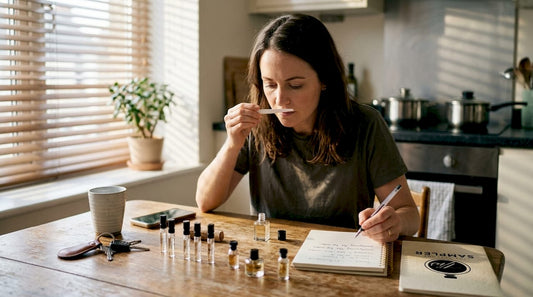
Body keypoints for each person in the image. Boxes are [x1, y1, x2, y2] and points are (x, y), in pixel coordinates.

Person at [196, 14, 419, 243]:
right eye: (270, 84)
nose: (280, 99)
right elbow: (205, 201)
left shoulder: (365, 123)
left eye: (295, 85)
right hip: (274, 259)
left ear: (324, 80)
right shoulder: (256, 125)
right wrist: (232, 144)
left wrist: (393, 223)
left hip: (341, 258)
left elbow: (410, 215)